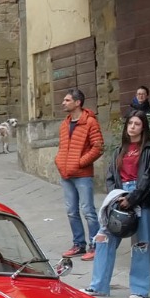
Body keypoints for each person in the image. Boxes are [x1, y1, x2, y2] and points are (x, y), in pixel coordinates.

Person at [85, 112, 150, 298]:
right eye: (130, 123)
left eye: (137, 124)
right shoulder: (119, 150)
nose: (132, 126)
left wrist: (133, 199)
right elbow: (110, 175)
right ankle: (98, 285)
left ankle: (139, 289)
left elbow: (149, 177)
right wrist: (115, 195)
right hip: (118, 196)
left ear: (143, 127)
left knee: (142, 244)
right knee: (103, 238)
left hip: (142, 199)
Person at [54, 89, 104, 261]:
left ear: (77, 103)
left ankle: (96, 245)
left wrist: (80, 162)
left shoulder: (90, 122)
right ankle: (78, 244)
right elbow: (62, 147)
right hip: (66, 174)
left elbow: (98, 147)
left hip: (82, 174)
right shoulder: (64, 124)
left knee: (88, 210)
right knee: (71, 211)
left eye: (67, 100)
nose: (63, 103)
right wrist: (59, 162)